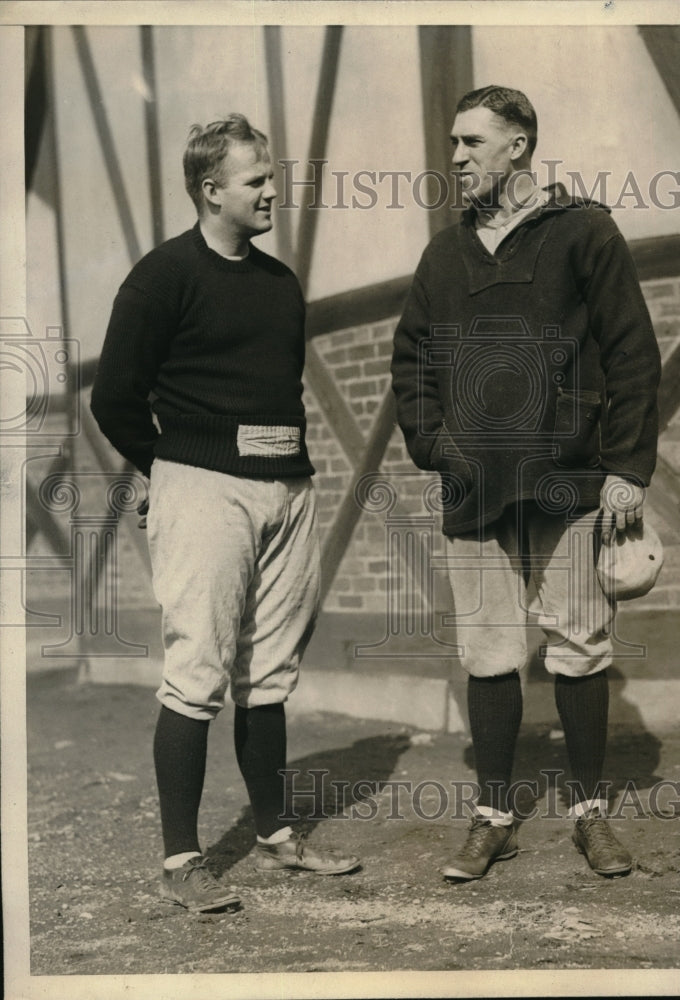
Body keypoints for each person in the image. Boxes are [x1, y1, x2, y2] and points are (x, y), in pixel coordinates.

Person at [391, 86, 661, 880]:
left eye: (471, 141)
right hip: (475, 493)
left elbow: (632, 354)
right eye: (452, 142)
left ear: (518, 144)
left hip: (569, 484)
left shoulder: (585, 231)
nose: (456, 157)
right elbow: (411, 362)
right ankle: (493, 817)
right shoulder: (444, 255)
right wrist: (438, 447)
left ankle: (587, 815)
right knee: (487, 654)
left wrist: (624, 469)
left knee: (576, 651)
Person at [91, 113, 360, 913]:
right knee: (197, 672)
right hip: (203, 490)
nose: (273, 190)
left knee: (269, 673)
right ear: (211, 191)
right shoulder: (161, 276)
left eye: (270, 177)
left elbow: (278, 392)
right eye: (257, 180)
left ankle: (276, 835)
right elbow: (114, 399)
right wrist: (168, 471)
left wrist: (281, 477)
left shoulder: (280, 284)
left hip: (288, 489)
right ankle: (182, 862)